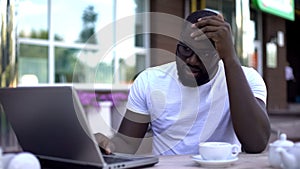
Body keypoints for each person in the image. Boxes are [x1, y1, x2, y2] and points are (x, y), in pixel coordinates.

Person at [94, 9, 271, 155]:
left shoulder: (246, 79)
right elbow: (126, 142)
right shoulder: (150, 81)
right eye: (186, 49)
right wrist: (107, 145)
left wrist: (231, 59)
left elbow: (256, 143)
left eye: (205, 54)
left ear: (220, 55)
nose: (192, 60)